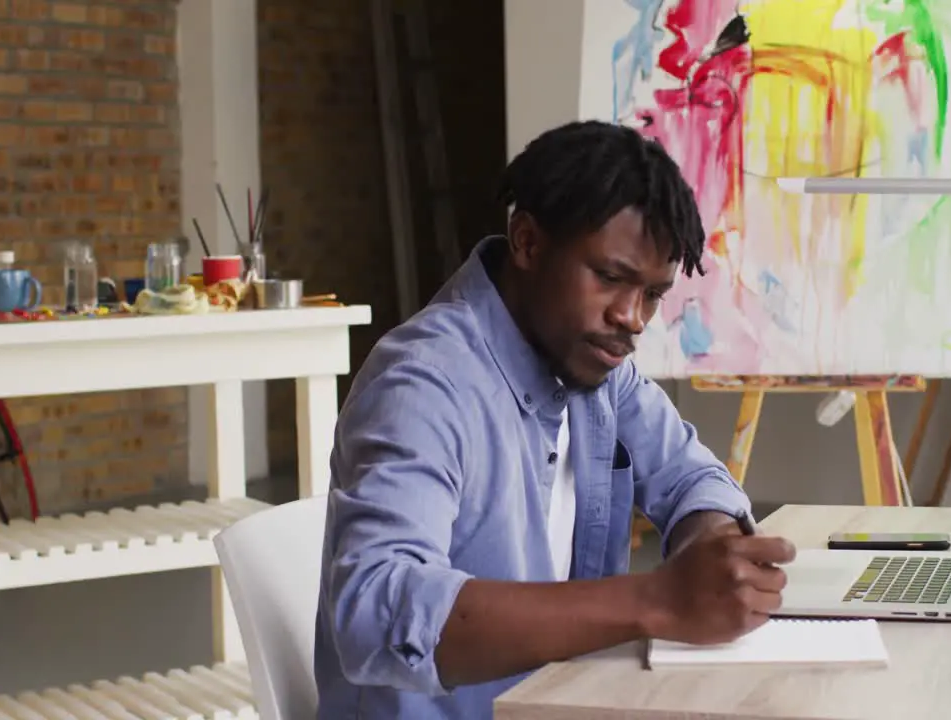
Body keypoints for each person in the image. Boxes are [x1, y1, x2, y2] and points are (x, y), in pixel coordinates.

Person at [314, 120, 796, 719]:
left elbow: (690, 477)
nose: (632, 317)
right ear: (528, 242)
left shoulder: (594, 363)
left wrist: (714, 555)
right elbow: (375, 615)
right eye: (611, 278)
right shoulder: (422, 383)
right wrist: (657, 598)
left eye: (651, 294)